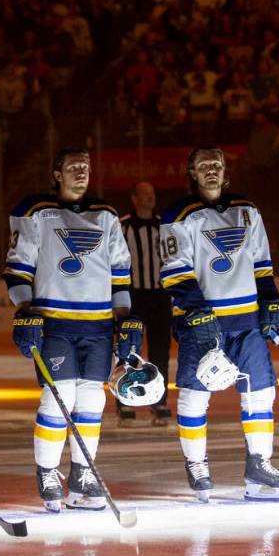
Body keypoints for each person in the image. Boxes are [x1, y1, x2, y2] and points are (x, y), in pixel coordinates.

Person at [159, 146, 279, 501]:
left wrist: (272, 300)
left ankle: (259, 464)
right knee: (194, 394)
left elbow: (262, 264)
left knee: (261, 392)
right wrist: (196, 311)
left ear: (226, 171)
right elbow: (175, 272)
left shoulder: (247, 210)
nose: (212, 171)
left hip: (246, 321)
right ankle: (196, 463)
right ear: (191, 172)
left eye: (217, 165)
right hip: (201, 322)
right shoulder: (178, 214)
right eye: (204, 166)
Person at [3, 148, 136, 512]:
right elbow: (17, 268)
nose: (81, 172)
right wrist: (24, 310)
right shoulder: (35, 211)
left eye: (86, 167)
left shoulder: (106, 214)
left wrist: (124, 319)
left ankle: (83, 473)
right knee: (57, 396)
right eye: (73, 167)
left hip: (97, 325)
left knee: (92, 399)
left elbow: (120, 271)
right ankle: (48, 471)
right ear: (56, 174)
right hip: (54, 322)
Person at [116, 181, 172, 426]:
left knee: (161, 351)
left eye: (152, 193)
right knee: (128, 348)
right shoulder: (123, 225)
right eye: (144, 194)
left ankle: (159, 401)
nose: (149, 197)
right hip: (132, 296)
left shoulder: (164, 226)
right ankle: (124, 400)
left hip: (160, 297)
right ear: (134, 198)